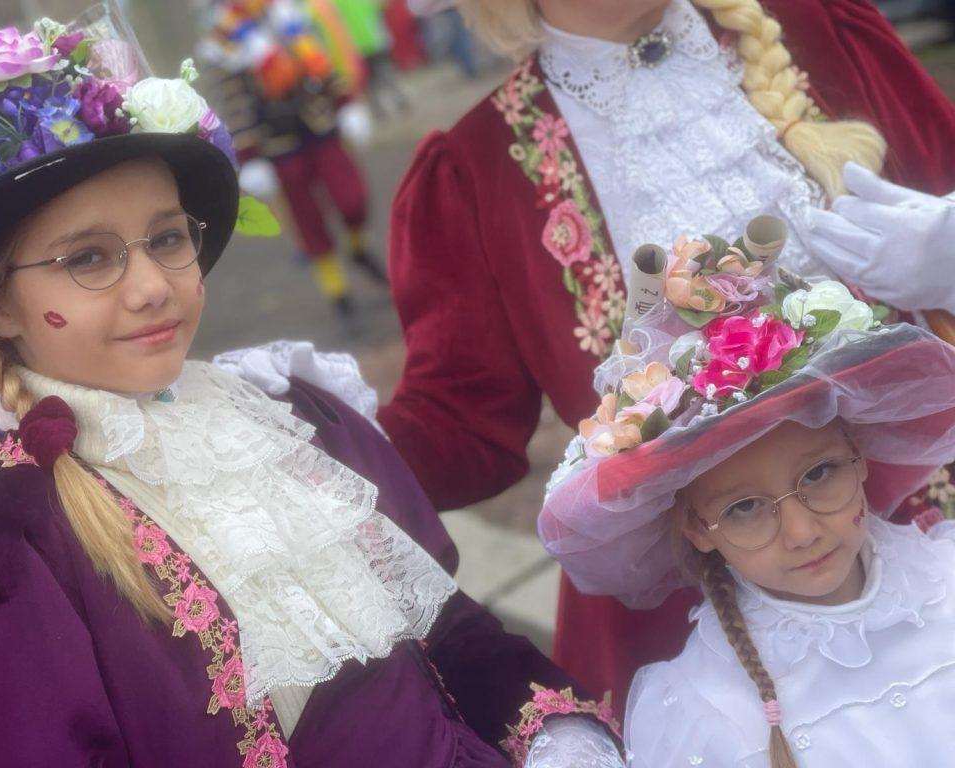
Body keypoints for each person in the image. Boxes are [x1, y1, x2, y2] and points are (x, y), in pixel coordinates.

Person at [0, 10, 621, 766]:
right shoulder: (15, 551)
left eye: (167, 239)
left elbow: (450, 634)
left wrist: (559, 736)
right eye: (89, 258)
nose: (153, 287)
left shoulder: (291, 420)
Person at [387, 0, 955, 706]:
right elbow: (460, 424)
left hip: (930, 520)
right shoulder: (475, 168)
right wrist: (308, 427)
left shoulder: (820, 27)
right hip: (707, 602)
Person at [539, 219, 955, 765]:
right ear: (697, 528)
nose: (802, 533)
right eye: (745, 508)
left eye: (818, 474)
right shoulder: (707, 712)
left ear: (859, 455)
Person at [200, 0, 386, 318]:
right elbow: (234, 104)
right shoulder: (221, 40)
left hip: (320, 124)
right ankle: (337, 291)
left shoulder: (289, 12)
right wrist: (249, 155)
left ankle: (358, 249)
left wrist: (345, 102)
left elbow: (322, 63)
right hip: (278, 143)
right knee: (307, 219)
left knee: (352, 200)